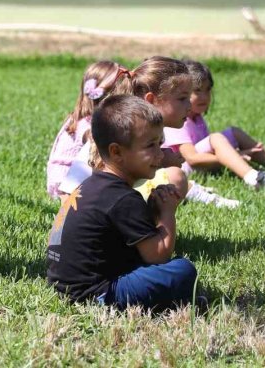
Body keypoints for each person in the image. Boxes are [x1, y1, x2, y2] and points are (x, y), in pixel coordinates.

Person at [47, 95, 198, 311]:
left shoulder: (93, 186)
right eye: (150, 146)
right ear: (117, 152)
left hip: (63, 285)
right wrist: (167, 212)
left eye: (160, 144)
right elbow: (158, 255)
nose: (160, 154)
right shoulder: (122, 198)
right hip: (97, 293)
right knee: (183, 270)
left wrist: (151, 211)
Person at [58, 56, 239, 208]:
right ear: (151, 100)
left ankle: (143, 237)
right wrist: (163, 160)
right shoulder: (131, 129)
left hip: (85, 212)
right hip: (84, 212)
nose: (189, 105)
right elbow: (124, 171)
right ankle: (148, 241)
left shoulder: (142, 126)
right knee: (175, 178)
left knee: (172, 180)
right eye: (183, 98)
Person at [165, 60, 265, 190]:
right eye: (197, 91)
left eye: (208, 90)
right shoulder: (178, 121)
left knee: (233, 132)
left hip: (202, 166)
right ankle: (255, 179)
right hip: (184, 171)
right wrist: (237, 155)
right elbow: (193, 159)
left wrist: (235, 153)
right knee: (216, 138)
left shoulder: (197, 118)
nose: (204, 96)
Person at [46, 60, 125, 199]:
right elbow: (98, 152)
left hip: (63, 180)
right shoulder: (90, 125)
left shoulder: (84, 117)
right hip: (68, 185)